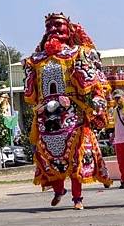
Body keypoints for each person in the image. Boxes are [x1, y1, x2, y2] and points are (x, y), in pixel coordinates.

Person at [23, 12, 112, 210]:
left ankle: (77, 198)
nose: (53, 30)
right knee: (48, 155)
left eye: (58, 25)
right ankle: (58, 190)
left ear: (68, 28)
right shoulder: (35, 60)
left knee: (75, 156)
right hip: (45, 117)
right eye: (49, 26)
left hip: (72, 115)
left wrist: (98, 101)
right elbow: (30, 93)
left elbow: (96, 85)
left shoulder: (78, 53)